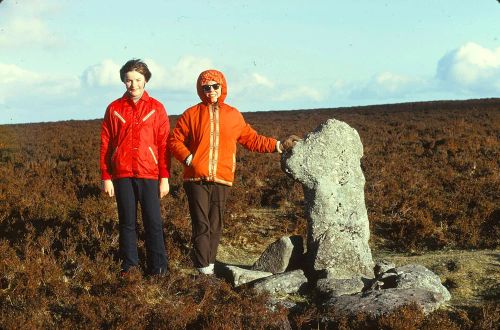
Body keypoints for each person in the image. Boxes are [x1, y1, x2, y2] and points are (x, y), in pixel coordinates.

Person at [169, 69, 299, 274]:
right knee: (201, 224)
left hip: (222, 177)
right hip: (195, 178)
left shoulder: (233, 115)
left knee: (216, 224)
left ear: (222, 87)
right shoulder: (191, 114)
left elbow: (252, 139)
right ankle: (204, 270)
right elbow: (174, 140)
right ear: (200, 89)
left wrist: (280, 145)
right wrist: (189, 159)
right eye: (206, 87)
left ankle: (209, 265)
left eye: (215, 86)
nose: (211, 90)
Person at [100, 59, 170, 276]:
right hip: (122, 175)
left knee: (153, 223)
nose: (134, 85)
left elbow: (163, 144)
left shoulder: (157, 108)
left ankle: (158, 270)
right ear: (123, 81)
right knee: (127, 224)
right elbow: (106, 143)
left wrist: (165, 177)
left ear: (146, 80)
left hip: (149, 174)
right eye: (129, 80)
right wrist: (106, 176)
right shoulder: (114, 108)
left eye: (138, 80)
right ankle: (129, 268)